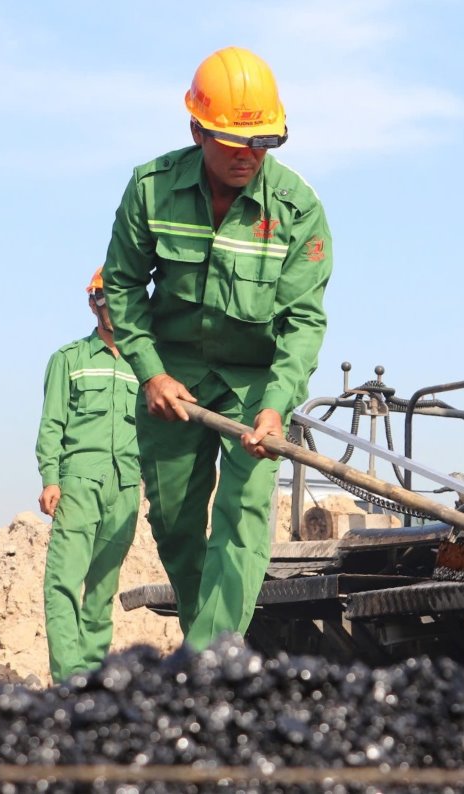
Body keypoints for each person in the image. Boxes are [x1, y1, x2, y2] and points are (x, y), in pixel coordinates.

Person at [102, 46, 333, 653]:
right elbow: (122, 285)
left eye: (262, 142)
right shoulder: (150, 191)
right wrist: (149, 373)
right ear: (196, 130)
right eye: (233, 141)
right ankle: (213, 651)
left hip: (254, 386)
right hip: (172, 385)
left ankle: (207, 661)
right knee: (177, 526)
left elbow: (302, 321)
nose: (247, 155)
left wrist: (277, 406)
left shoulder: (296, 211)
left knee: (243, 511)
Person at [35, 267, 142, 681]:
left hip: (126, 484)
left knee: (102, 590)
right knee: (63, 582)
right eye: (104, 297)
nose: (111, 306)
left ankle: (92, 680)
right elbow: (51, 425)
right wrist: (50, 478)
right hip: (79, 483)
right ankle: (68, 681)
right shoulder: (69, 360)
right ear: (93, 302)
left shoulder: (143, 365)